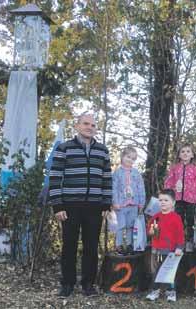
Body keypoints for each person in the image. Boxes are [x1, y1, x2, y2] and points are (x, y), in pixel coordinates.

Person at [48, 113, 112, 297]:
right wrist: (57, 206)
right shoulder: (64, 148)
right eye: (86, 123)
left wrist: (106, 204)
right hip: (70, 207)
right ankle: (67, 284)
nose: (89, 127)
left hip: (94, 207)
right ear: (77, 126)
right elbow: (55, 177)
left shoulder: (102, 150)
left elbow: (107, 179)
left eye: (93, 125)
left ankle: (88, 284)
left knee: (91, 248)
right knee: (69, 246)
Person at [145, 189, 184, 302]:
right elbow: (150, 232)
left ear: (173, 202)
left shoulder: (176, 217)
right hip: (156, 250)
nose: (162, 202)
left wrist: (179, 247)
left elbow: (180, 234)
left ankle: (171, 292)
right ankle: (155, 291)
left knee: (170, 273)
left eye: (166, 200)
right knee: (155, 272)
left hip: (170, 251)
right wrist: (151, 231)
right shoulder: (155, 217)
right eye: (160, 200)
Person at [164, 143, 196, 251]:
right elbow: (169, 181)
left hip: (191, 199)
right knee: (177, 220)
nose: (185, 153)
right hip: (177, 199)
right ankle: (178, 242)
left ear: (192, 155)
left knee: (190, 220)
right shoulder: (175, 168)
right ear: (179, 155)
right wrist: (168, 196)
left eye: (188, 151)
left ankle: (189, 241)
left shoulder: (195, 169)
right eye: (183, 151)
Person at [112, 146, 145, 255]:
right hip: (121, 205)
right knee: (120, 226)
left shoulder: (136, 173)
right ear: (122, 156)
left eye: (133, 158)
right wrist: (115, 202)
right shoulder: (117, 173)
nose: (130, 160)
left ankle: (131, 245)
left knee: (131, 226)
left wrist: (141, 203)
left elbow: (141, 188)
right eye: (128, 157)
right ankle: (119, 246)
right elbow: (114, 188)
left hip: (133, 204)